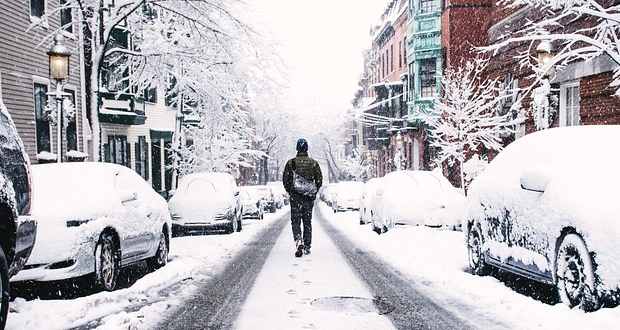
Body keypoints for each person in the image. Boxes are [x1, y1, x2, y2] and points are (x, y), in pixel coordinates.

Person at [282, 138, 323, 257]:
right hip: (308, 199)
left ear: (297, 149)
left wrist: (291, 191)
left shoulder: (291, 163)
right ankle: (307, 245)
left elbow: (285, 180)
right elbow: (319, 180)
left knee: (295, 222)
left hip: (295, 199)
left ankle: (298, 241)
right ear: (307, 149)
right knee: (307, 222)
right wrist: (312, 191)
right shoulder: (313, 163)